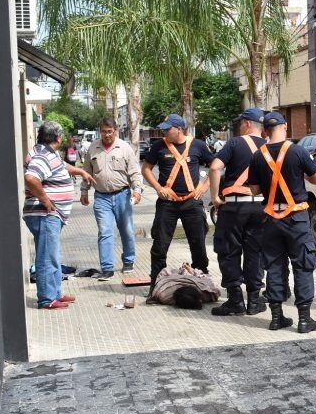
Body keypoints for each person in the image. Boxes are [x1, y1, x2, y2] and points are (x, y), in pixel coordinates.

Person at [247, 112, 316, 333]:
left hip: (271, 218)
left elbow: (254, 190)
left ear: (265, 131)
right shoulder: (298, 151)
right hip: (296, 218)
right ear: (285, 126)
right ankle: (305, 320)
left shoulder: (257, 156)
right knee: (302, 265)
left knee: (274, 267)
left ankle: (277, 318)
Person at [23, 121, 95, 309]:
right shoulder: (42, 156)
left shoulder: (47, 153)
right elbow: (31, 178)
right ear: (58, 138)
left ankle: (55, 293)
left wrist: (79, 171)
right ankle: (47, 299)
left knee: (53, 255)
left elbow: (62, 166)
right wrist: (46, 200)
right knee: (47, 256)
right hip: (45, 214)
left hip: (50, 216)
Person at [142, 113, 214, 295]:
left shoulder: (197, 145)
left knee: (198, 244)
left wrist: (204, 187)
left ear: (179, 129)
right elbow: (146, 169)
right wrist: (158, 188)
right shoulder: (159, 146)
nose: (164, 132)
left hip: (192, 203)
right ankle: (155, 286)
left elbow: (215, 166)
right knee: (159, 245)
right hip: (168, 203)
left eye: (168, 129)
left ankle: (202, 282)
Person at [209, 108, 268, 317]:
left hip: (234, 207)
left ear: (249, 124)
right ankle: (254, 300)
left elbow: (215, 168)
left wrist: (215, 197)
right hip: (261, 207)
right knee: (255, 252)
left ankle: (235, 300)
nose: (239, 126)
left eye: (241, 122)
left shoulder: (234, 143)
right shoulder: (269, 146)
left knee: (229, 250)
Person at [80, 118, 144, 280]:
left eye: (110, 131)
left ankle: (128, 261)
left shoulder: (124, 148)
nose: (107, 134)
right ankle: (107, 268)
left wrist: (137, 190)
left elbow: (135, 172)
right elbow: (86, 171)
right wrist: (84, 191)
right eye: (103, 131)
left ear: (115, 130)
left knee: (127, 230)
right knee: (105, 232)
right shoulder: (93, 148)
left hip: (123, 195)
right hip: (101, 198)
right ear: (100, 131)